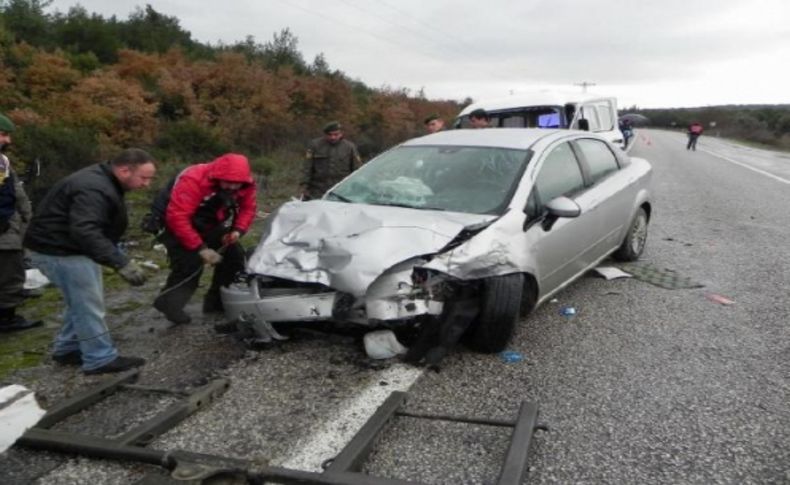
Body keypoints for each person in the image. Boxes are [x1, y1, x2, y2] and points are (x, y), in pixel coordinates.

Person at [24, 148, 156, 375]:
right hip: (62, 251)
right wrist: (120, 262)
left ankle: (67, 348)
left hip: (63, 247)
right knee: (89, 305)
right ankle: (99, 358)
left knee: (80, 301)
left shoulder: (103, 180)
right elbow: (85, 230)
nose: (147, 184)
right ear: (124, 170)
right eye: (144, 178)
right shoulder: (94, 187)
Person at [153, 153, 256, 325]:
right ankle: (168, 303)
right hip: (175, 224)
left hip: (209, 223)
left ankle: (216, 302)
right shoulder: (193, 180)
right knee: (190, 264)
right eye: (227, 182)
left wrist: (238, 230)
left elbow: (248, 208)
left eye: (235, 183)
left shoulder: (246, 185)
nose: (231, 187)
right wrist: (201, 248)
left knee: (234, 256)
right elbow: (177, 217)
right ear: (217, 177)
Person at [0, 113, 42, 333]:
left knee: (12, 270)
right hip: (4, 229)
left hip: (11, 226)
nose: (8, 141)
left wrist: (27, 216)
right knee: (9, 274)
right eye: (4, 135)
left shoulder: (3, 161)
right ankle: (7, 320)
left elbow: (14, 191)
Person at [301, 121, 362, 200]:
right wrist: (304, 186)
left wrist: (356, 188)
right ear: (325, 134)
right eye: (329, 135)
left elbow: (357, 169)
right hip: (318, 190)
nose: (333, 137)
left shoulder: (349, 147)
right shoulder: (315, 145)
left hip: (341, 189)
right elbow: (307, 168)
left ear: (341, 134)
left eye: (336, 134)